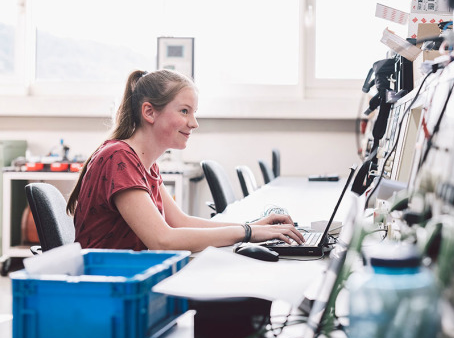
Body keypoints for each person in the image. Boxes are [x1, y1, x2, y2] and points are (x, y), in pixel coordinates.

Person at [66, 69, 304, 252]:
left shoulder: (145, 164)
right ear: (149, 112)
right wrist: (248, 233)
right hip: (110, 291)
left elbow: (180, 222)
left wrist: (255, 226)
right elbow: (163, 240)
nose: (194, 123)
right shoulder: (118, 157)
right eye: (184, 111)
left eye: (194, 112)